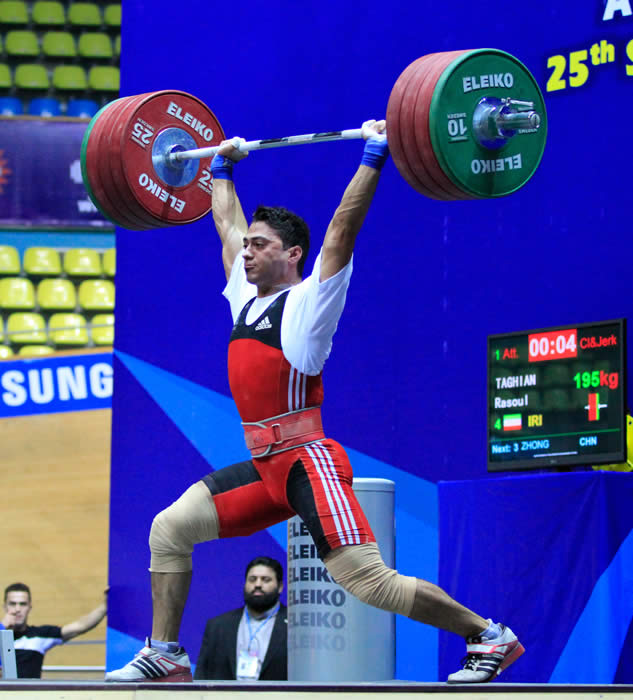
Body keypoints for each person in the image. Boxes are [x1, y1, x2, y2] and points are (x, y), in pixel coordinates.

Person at [106, 120, 524, 685]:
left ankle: (486, 635)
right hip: (265, 469)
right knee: (169, 528)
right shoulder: (243, 297)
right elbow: (226, 224)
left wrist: (373, 157)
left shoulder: (311, 302)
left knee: (367, 580)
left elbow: (340, 233)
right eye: (249, 247)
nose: (248, 254)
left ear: (292, 254)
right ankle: (165, 652)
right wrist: (220, 169)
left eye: (261, 246)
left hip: (307, 461)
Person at [194, 556, 287, 681]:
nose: (258, 584)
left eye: (266, 580)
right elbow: (202, 675)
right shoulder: (218, 626)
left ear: (280, 586)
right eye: (252, 579)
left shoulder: (295, 625)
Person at [1, 582, 107, 679]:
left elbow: (80, 626)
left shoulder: (40, 635)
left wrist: (105, 606)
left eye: (23, 604)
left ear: (29, 607)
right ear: (5, 606)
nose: (17, 609)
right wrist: (2, 627)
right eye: (12, 604)